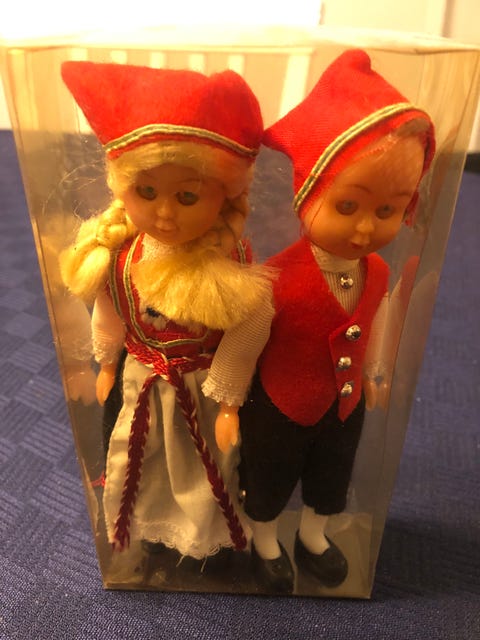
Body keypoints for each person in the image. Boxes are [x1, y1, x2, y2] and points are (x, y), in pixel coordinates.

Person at [203, 49, 436, 593]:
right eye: (347, 207)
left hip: (343, 404)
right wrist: (229, 403)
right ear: (308, 197)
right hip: (280, 405)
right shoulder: (277, 280)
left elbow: (375, 325)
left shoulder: (378, 272)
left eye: (387, 211)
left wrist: (374, 374)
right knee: (269, 477)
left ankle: (314, 536)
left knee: (332, 475)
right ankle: (265, 541)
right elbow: (243, 343)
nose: (365, 229)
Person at [59, 61, 270, 566]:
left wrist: (228, 400)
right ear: (121, 188)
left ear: (225, 194)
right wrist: (106, 362)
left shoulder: (229, 262)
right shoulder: (122, 256)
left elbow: (250, 326)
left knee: (201, 471)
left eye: (188, 196)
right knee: (144, 462)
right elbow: (109, 311)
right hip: (142, 378)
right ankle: (152, 535)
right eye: (146, 192)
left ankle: (201, 543)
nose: (165, 213)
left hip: (199, 385)